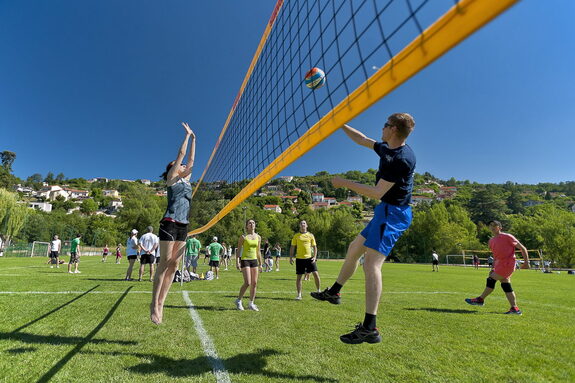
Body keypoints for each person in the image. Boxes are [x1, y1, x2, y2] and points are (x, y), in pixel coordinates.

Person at [311, 114, 416, 344]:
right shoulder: (387, 147)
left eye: (386, 124)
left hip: (394, 214)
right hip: (384, 211)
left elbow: (377, 192)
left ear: (395, 129)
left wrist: (345, 183)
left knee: (371, 264)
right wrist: (339, 124)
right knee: (354, 249)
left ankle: (370, 327)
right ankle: (334, 291)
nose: (382, 127)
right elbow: (362, 139)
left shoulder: (401, 158)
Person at [150, 122, 195, 325]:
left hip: (183, 224)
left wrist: (195, 138)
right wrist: (186, 137)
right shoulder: (172, 180)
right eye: (179, 165)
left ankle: (162, 302)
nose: (184, 166)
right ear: (173, 169)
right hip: (169, 222)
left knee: (175, 264)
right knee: (165, 263)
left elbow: (191, 160)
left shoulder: (186, 181)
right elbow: (182, 155)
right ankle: (154, 304)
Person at [465, 220, 530, 315]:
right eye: (490, 225)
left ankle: (480, 299)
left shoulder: (507, 237)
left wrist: (526, 262)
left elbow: (523, 248)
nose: (492, 227)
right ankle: (515, 309)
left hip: (508, 264)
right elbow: (495, 256)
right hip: (500, 265)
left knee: (491, 280)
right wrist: (493, 268)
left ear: (500, 227)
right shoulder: (491, 241)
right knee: (506, 285)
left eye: (495, 225)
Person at [235, 219, 263, 311]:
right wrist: (237, 261)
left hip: (254, 260)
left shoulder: (258, 237)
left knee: (254, 283)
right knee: (248, 282)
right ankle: (238, 300)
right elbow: (238, 250)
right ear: (247, 226)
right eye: (249, 223)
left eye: (253, 223)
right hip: (245, 260)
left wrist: (261, 263)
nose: (252, 224)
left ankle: (251, 303)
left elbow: (258, 251)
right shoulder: (243, 237)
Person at [289, 220, 321, 300]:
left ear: (306, 226)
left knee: (316, 274)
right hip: (299, 258)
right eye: (301, 223)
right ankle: (299, 295)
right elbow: (293, 247)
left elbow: (314, 247)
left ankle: (319, 291)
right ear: (299, 226)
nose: (303, 224)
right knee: (299, 277)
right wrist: (291, 257)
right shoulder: (296, 236)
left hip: (309, 258)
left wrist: (314, 256)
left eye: (304, 223)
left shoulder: (310, 235)